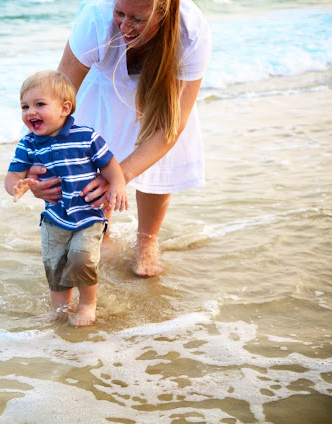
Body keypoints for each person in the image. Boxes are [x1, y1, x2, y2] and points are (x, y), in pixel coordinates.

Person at [27, 0, 211, 277]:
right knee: (89, 151)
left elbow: (170, 127)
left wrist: (119, 175)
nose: (125, 27)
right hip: (104, 83)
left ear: (163, 12)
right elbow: (54, 104)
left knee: (158, 157)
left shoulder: (190, 30)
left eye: (138, 19)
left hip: (162, 91)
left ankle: (147, 241)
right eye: (120, 13)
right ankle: (101, 230)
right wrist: (35, 165)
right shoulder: (96, 19)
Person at [5, 70, 128, 326]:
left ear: (65, 108)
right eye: (25, 106)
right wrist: (17, 186)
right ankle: (61, 310)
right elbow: (13, 176)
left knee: (82, 258)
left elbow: (109, 164)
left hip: (88, 215)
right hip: (54, 218)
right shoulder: (28, 144)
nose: (30, 111)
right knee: (55, 265)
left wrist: (117, 185)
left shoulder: (87, 136)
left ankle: (87, 305)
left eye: (39, 104)